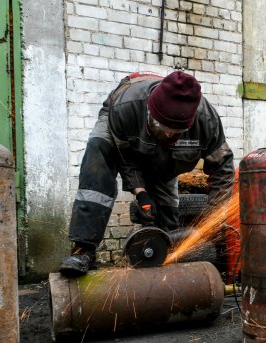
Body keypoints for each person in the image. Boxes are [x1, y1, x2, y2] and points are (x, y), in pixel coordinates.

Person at [59, 71, 235, 276]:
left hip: (166, 161)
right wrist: (140, 191)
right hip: (122, 122)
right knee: (98, 153)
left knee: (167, 214)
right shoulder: (126, 108)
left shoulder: (207, 121)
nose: (169, 134)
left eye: (176, 132)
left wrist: (212, 217)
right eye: (164, 127)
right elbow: (123, 157)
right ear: (151, 112)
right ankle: (83, 250)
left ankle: (164, 254)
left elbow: (223, 167)